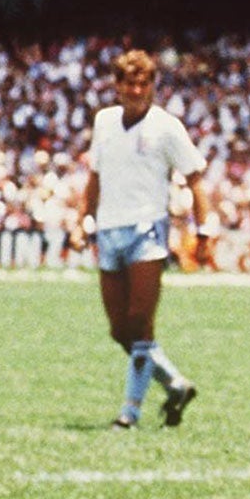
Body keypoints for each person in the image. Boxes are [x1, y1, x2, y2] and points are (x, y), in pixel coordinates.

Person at [75, 48, 207, 432]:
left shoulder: (167, 127)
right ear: (116, 86)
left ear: (152, 86)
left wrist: (204, 229)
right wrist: (85, 216)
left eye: (143, 83)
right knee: (120, 330)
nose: (136, 90)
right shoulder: (104, 122)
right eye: (129, 83)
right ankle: (175, 383)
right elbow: (95, 175)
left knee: (140, 321)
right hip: (109, 229)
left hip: (147, 230)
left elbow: (195, 177)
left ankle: (129, 412)